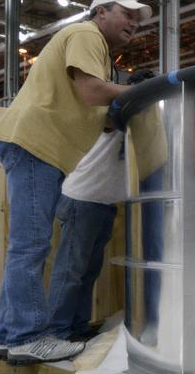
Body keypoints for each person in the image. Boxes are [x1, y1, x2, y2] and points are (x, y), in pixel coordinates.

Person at [0, 0, 151, 366]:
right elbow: (93, 93)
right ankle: (27, 338)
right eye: (126, 14)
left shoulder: (101, 56)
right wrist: (140, 91)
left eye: (137, 19)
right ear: (100, 12)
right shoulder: (86, 35)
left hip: (40, 150)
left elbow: (103, 116)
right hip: (35, 145)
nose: (133, 23)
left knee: (29, 247)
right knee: (30, 246)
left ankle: (7, 336)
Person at [46, 70, 165, 342]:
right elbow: (112, 120)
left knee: (87, 272)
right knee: (71, 271)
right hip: (82, 199)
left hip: (101, 203)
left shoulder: (142, 121)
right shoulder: (115, 110)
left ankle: (76, 326)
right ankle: (57, 331)